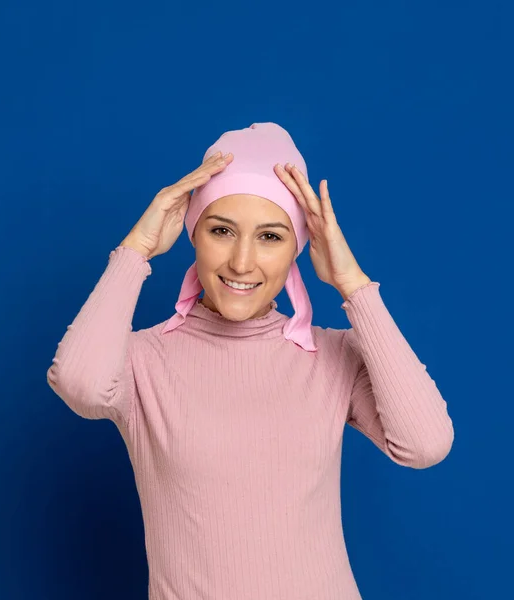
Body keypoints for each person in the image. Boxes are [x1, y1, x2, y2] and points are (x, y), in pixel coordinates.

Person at [47, 122, 454, 600]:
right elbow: (78, 383)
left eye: (271, 236)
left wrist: (353, 285)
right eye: (222, 230)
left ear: (299, 249)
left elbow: (425, 444)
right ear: (193, 234)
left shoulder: (331, 355)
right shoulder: (142, 358)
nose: (243, 262)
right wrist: (135, 250)